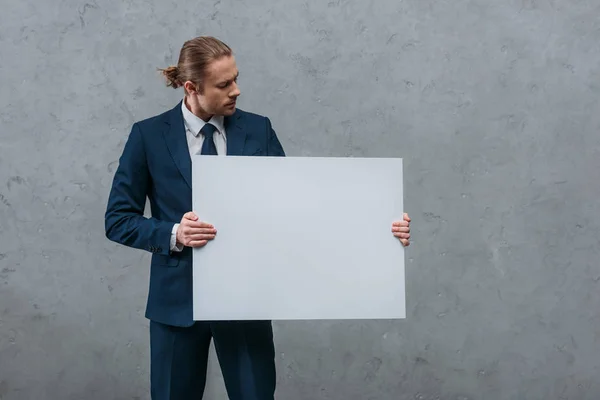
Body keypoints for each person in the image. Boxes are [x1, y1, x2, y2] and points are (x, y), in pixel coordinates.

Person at [104, 36, 411, 400]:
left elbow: (298, 210)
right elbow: (118, 219)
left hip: (247, 302)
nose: (237, 90)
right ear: (191, 87)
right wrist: (174, 232)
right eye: (224, 84)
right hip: (175, 307)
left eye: (236, 78)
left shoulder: (258, 129)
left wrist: (378, 228)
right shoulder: (148, 135)